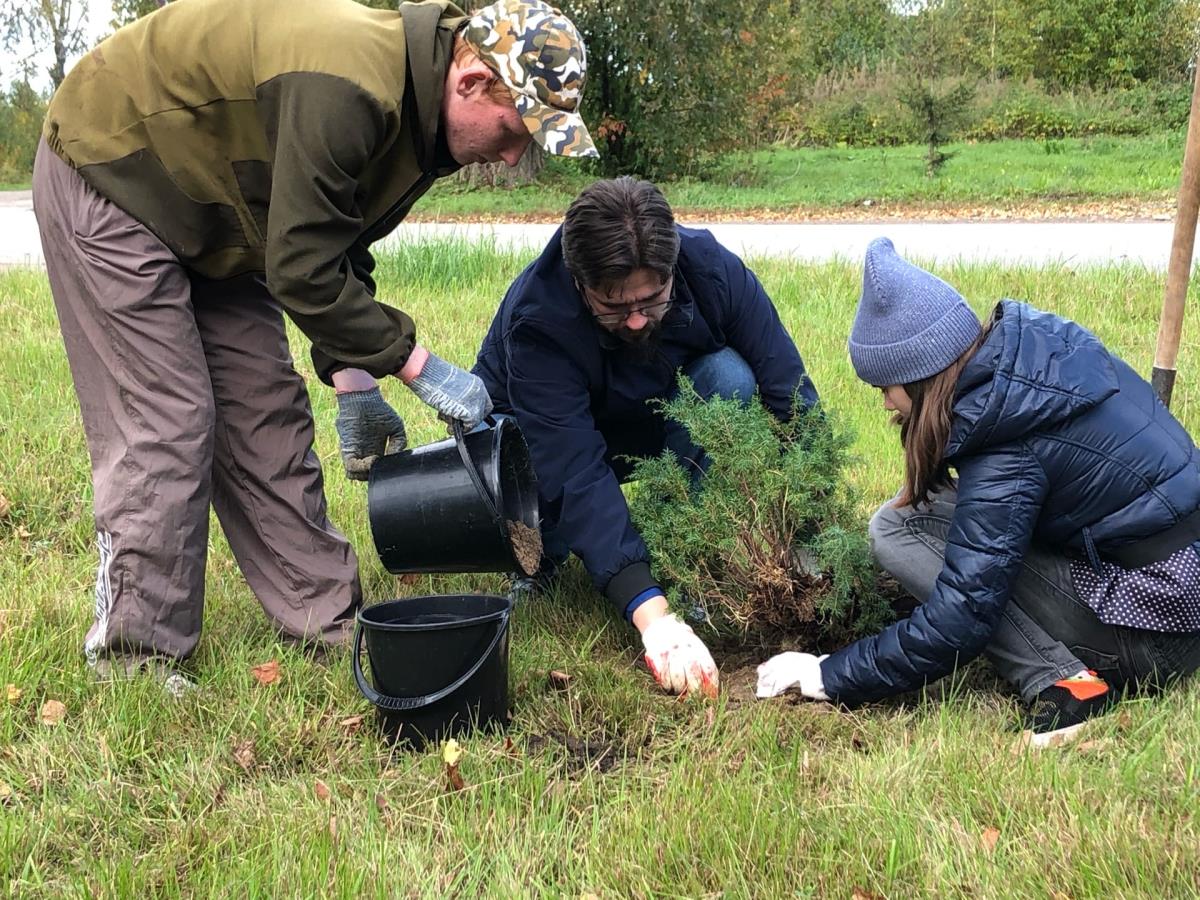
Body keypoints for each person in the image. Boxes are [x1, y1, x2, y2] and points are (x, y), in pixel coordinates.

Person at [32, 0, 596, 684]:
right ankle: (134, 653)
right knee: (168, 419)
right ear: (472, 79)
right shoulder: (352, 87)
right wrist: (416, 366)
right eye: (515, 132)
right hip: (112, 169)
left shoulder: (416, 118)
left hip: (222, 212)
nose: (512, 157)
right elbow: (300, 272)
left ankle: (325, 618)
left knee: (266, 409)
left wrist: (354, 381)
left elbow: (334, 243)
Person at [756, 237, 1200, 745]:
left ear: (919, 376)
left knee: (897, 530)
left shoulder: (1003, 448)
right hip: (1181, 588)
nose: (885, 406)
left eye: (885, 389)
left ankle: (1069, 685)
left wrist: (828, 674)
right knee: (904, 520)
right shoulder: (1033, 359)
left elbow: (961, 620)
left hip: (1160, 634)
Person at [474, 177, 820, 697]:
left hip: (650, 409)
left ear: (672, 269)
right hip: (542, 433)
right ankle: (545, 558)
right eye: (613, 306)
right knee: (515, 464)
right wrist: (652, 617)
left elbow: (788, 391)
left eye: (651, 299)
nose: (636, 321)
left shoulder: (711, 270)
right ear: (578, 281)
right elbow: (574, 469)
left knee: (727, 378)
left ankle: (676, 547)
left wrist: (813, 526)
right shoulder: (538, 318)